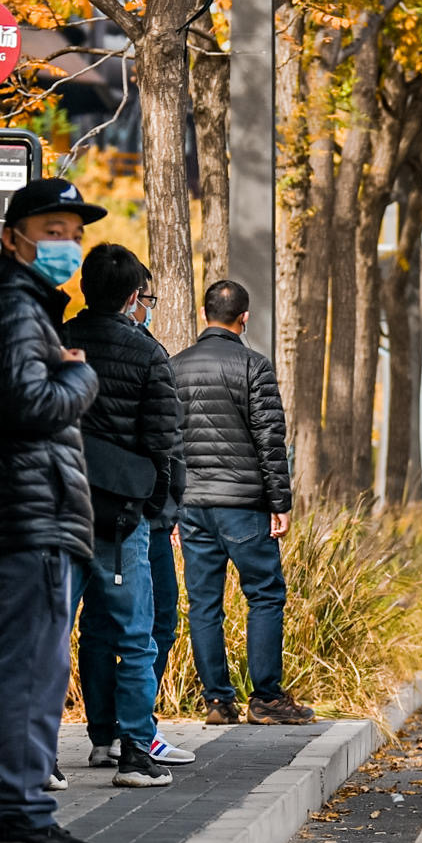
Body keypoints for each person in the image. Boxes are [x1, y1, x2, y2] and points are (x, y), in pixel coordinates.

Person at [0, 176, 103, 843]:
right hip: (30, 510)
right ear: (14, 239)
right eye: (52, 232)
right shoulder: (16, 307)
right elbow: (26, 405)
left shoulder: (10, 303)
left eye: (74, 233)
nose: (66, 245)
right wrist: (80, 377)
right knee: (32, 671)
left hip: (10, 509)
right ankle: (21, 810)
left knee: (0, 666)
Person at [64, 245, 190, 789]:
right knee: (135, 633)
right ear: (135, 296)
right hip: (121, 517)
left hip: (58, 506)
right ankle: (135, 752)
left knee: (56, 630)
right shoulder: (148, 354)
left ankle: (51, 754)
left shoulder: (58, 339)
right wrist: (155, 505)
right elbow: (164, 441)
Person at [171, 280, 312, 726]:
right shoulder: (254, 366)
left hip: (192, 504)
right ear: (243, 318)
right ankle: (266, 698)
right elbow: (271, 440)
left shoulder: (175, 368)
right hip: (244, 505)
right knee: (265, 594)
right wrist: (280, 502)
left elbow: (166, 443)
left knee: (204, 603)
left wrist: (172, 505)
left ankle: (217, 701)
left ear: (203, 312)